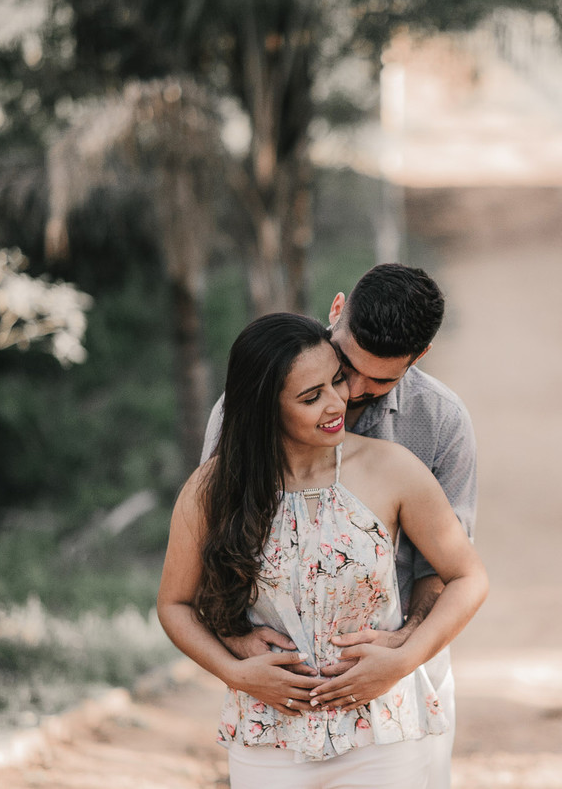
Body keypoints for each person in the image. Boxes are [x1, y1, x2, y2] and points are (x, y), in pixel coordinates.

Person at [158, 313, 487, 788]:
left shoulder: (392, 469)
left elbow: (469, 578)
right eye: (311, 397)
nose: (337, 403)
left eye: (336, 381)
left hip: (382, 732)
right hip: (268, 733)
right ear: (265, 407)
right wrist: (236, 673)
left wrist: (403, 660)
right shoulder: (214, 486)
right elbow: (174, 604)